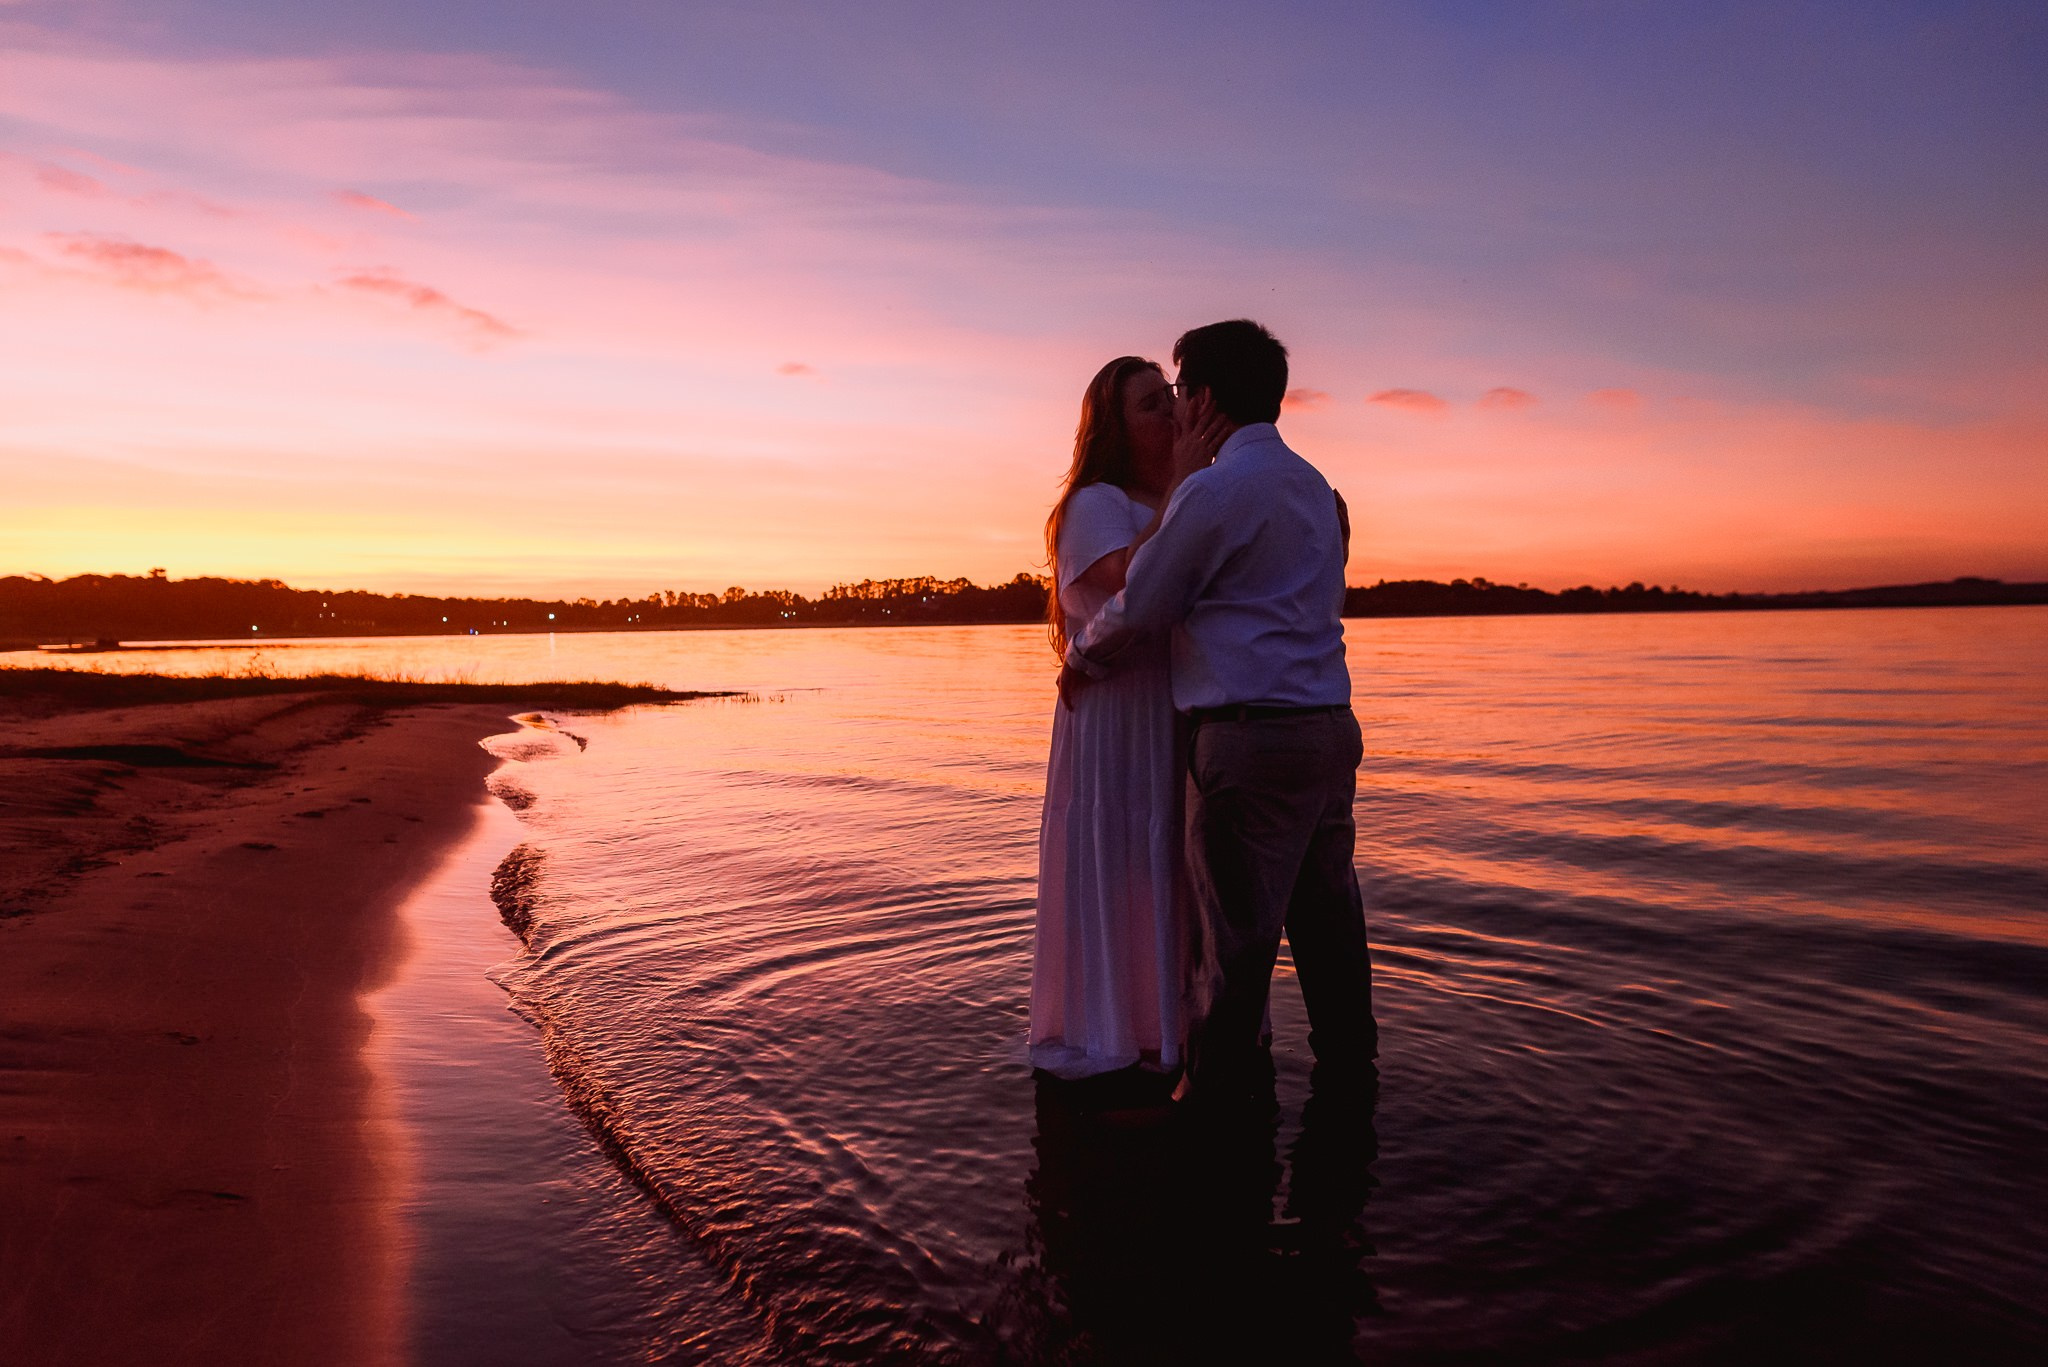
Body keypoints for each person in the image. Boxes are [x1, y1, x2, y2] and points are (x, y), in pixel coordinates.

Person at [1061, 319, 1376, 1099]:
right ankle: (1351, 1098)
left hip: (1248, 738)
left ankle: (1213, 1120)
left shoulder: (1210, 490)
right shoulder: (1315, 486)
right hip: (1330, 729)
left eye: (1180, 391)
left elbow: (1145, 601)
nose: (1176, 407)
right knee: (1331, 932)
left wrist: (1083, 655)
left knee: (1231, 951)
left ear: (1203, 397)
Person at [1028, 356, 1228, 1079]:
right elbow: (1130, 581)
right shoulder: (1097, 502)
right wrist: (1185, 480)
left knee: (1179, 860)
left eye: (1168, 395)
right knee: (1127, 857)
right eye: (1150, 404)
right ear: (1114, 428)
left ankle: (1183, 1024)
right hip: (1118, 708)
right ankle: (1123, 1030)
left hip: (1177, 704)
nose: (1171, 410)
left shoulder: (1182, 495)